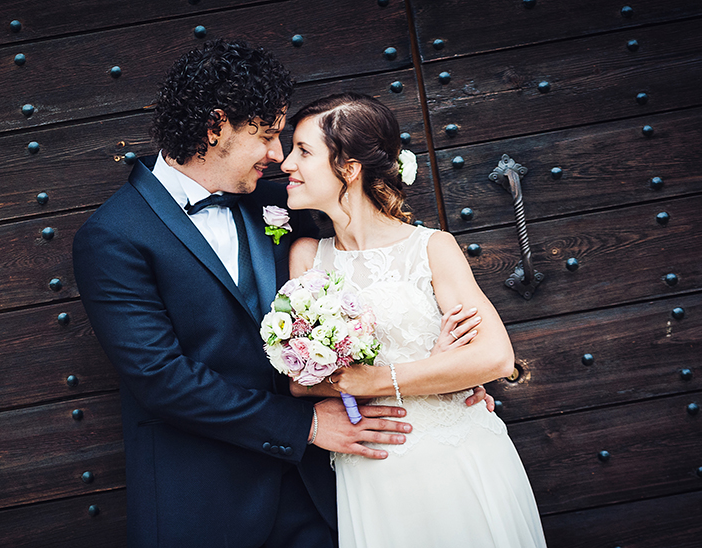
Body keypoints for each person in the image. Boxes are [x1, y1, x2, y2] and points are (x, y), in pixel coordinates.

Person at [73, 39, 495, 547]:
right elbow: (161, 379)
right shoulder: (114, 235)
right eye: (269, 136)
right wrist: (306, 426)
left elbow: (378, 271)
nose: (278, 156)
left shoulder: (285, 202)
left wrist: (444, 378)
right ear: (216, 125)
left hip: (325, 493)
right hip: (208, 499)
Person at [281, 92, 547, 547]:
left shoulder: (431, 248)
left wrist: (372, 380)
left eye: (303, 151)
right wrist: (437, 369)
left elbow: (497, 357)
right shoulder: (307, 257)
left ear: (348, 168)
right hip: (374, 465)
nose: (286, 163)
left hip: (458, 451)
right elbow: (301, 382)